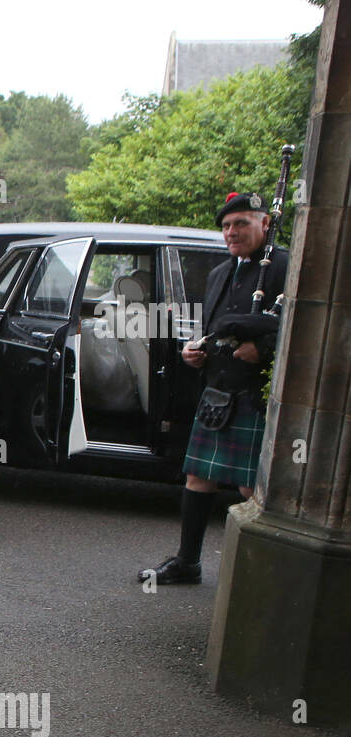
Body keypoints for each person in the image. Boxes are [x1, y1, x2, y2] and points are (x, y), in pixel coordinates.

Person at [139, 191, 288, 585]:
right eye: (225, 226)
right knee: (198, 477)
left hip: (257, 392)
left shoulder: (286, 266)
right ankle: (188, 563)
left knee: (250, 487)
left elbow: (301, 327)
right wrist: (197, 351)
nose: (232, 232)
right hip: (219, 388)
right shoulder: (221, 273)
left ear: (265, 223)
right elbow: (213, 329)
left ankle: (263, 572)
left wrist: (266, 348)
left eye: (242, 223)